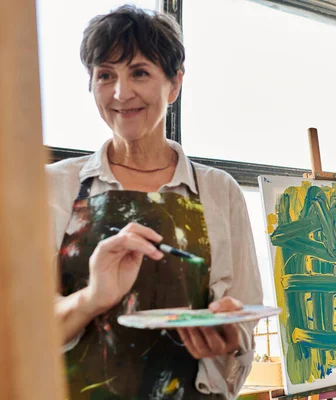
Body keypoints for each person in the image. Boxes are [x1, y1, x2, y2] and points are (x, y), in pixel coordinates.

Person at [48, 5, 262, 399]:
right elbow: (20, 332)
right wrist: (93, 297)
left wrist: (231, 336)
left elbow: (246, 318)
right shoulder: (53, 188)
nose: (121, 93)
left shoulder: (219, 191)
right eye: (105, 75)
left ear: (174, 84)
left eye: (140, 73)